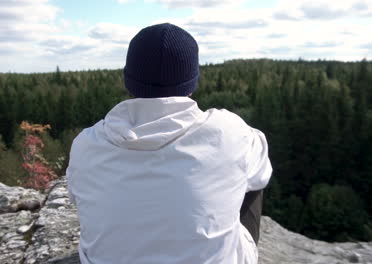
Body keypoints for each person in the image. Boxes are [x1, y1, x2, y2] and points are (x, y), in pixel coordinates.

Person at [66, 23, 272, 264]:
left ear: (128, 82)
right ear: (192, 83)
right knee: (250, 173)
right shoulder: (229, 133)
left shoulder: (85, 144)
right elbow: (262, 172)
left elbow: (75, 197)